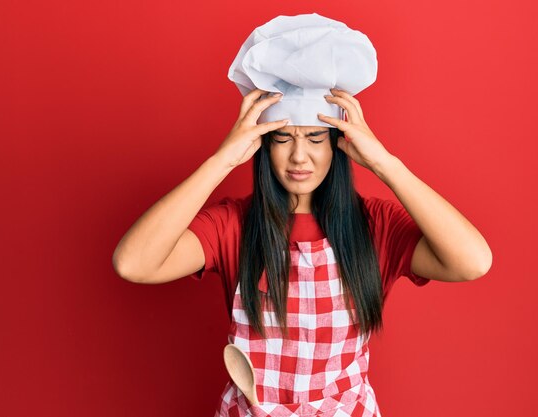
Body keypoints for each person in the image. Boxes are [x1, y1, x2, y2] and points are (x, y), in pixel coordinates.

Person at [112, 13, 492, 417]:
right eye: (281, 138)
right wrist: (221, 161)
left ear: (338, 143)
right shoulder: (234, 226)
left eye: (314, 138)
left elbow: (473, 261)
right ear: (262, 143)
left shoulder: (374, 227)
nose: (299, 156)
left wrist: (386, 164)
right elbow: (133, 263)